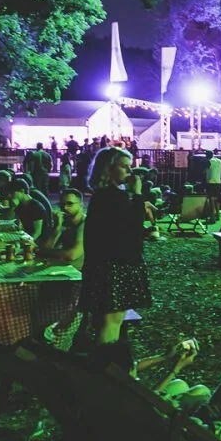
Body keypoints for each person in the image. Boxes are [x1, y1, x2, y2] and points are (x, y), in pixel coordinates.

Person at [80, 147, 154, 356]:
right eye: (124, 166)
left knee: (104, 319)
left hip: (102, 264)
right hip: (116, 266)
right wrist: (138, 195)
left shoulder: (102, 195)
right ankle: (105, 366)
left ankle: (102, 362)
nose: (130, 171)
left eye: (130, 166)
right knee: (112, 321)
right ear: (108, 168)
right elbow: (132, 227)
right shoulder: (114, 196)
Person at [37, 188, 86, 269]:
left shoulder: (85, 224)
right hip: (65, 268)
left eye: (69, 204)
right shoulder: (65, 221)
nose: (65, 207)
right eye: (62, 204)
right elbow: (47, 247)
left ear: (81, 204)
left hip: (79, 272)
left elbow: (72, 255)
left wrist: (45, 252)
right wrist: (57, 227)